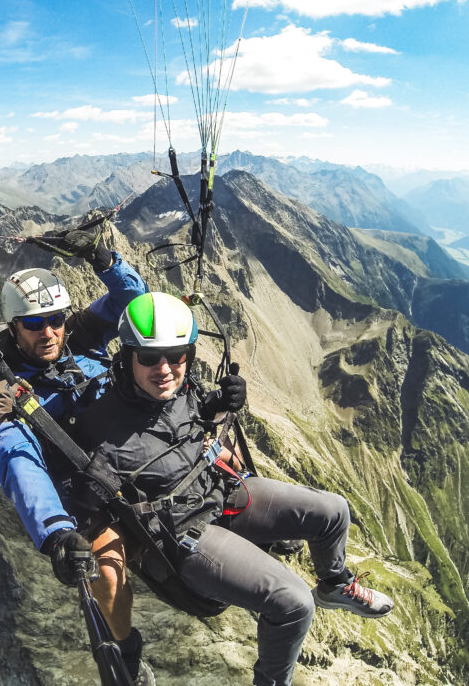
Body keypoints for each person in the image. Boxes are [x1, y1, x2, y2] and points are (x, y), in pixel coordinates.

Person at [63, 291, 393, 686]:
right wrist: (77, 520)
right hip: (183, 536)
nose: (165, 368)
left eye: (177, 355)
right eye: (150, 358)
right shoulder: (101, 429)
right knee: (293, 603)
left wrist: (220, 403)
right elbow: (82, 504)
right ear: (127, 355)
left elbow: (193, 416)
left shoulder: (180, 390)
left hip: (222, 494)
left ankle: (335, 584)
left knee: (334, 511)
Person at [0, 229, 155, 684]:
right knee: (108, 581)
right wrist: (55, 532)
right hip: (90, 488)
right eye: (34, 324)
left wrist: (103, 258)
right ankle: (128, 656)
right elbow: (15, 455)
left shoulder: (81, 333)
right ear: (14, 327)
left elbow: (136, 302)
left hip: (138, 452)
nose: (49, 332)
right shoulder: (5, 389)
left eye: (55, 319)